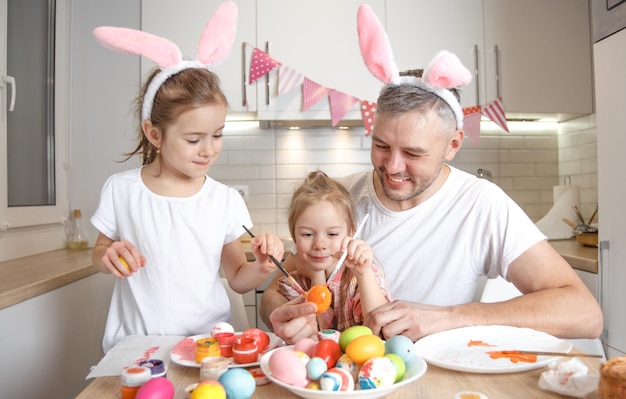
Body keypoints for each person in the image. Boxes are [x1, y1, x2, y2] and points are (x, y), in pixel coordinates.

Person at [259, 4, 603, 344]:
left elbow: (585, 314)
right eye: (381, 145)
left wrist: (449, 316)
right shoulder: (341, 197)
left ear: (453, 144)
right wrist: (283, 313)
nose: (392, 167)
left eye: (413, 153)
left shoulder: (480, 204)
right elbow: (279, 287)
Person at [90, 2, 284, 352]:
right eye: (194, 140)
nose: (208, 150)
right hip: (135, 346)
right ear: (154, 134)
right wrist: (108, 256)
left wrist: (262, 266)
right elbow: (100, 253)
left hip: (206, 345)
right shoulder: (122, 190)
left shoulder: (225, 200)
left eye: (218, 135)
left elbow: (238, 279)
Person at [277, 170, 391, 332]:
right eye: (307, 234)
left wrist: (364, 274)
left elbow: (379, 326)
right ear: (294, 235)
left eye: (332, 234)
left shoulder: (362, 274)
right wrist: (317, 277)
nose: (320, 244)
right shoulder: (293, 284)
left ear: (351, 233)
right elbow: (315, 332)